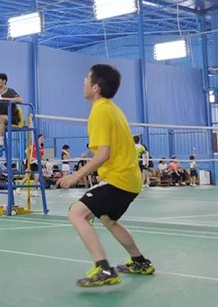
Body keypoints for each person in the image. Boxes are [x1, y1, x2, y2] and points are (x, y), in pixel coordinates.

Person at [57, 64, 154, 287]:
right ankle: (140, 262)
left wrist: (74, 177)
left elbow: (103, 154)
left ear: (96, 87)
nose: (83, 82)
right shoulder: (112, 108)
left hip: (118, 179)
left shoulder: (100, 111)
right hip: (130, 180)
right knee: (108, 220)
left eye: (86, 78)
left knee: (76, 213)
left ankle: (104, 269)